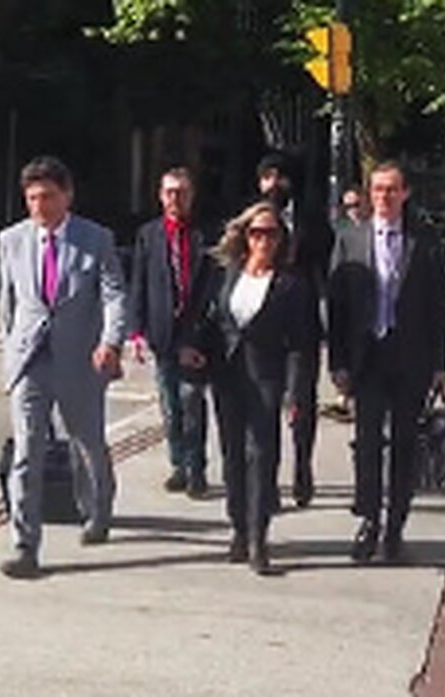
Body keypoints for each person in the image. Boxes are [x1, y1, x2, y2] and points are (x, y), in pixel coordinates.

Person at [0, 156, 126, 579]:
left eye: (48, 196)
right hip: (30, 360)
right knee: (26, 451)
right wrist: (9, 357)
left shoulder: (96, 239)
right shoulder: (11, 240)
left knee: (86, 444)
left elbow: (114, 295)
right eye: (32, 198)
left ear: (66, 196)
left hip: (80, 359)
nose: (39, 206)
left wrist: (110, 342)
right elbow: (8, 304)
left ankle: (98, 509)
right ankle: (25, 545)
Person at [180, 201, 317, 574]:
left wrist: (295, 392)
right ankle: (238, 528)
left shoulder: (292, 284)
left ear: (281, 238)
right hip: (227, 375)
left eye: (271, 233)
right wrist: (192, 347)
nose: (263, 240)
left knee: (261, 455)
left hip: (267, 378)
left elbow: (301, 345)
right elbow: (211, 321)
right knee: (232, 455)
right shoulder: (227, 274)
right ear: (244, 235)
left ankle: (259, 537)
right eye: (256, 233)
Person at [327, 160, 445, 563]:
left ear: (405, 194)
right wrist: (339, 364)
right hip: (367, 357)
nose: (383, 197)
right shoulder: (350, 239)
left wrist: (440, 363)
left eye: (391, 190)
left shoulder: (425, 241)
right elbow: (338, 307)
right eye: (378, 189)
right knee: (366, 444)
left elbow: (438, 306)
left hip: (409, 356)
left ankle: (396, 524)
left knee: (403, 445)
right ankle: (369, 520)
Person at [128, 166, 211, 498]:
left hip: (194, 333)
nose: (175, 198)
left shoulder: (204, 234)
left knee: (192, 400)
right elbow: (139, 283)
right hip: (161, 333)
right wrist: (135, 331)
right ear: (161, 197)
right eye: (169, 192)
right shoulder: (149, 234)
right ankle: (178, 463)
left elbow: (212, 286)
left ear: (191, 196)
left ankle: (197, 468)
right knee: (169, 404)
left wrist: (201, 331)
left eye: (181, 192)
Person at [257, 153, 333, 508]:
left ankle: (302, 464)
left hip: (301, 328)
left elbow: (326, 271)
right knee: (264, 406)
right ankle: (267, 480)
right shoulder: (252, 221)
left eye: (280, 177)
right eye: (267, 177)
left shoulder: (312, 220)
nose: (273, 184)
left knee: (301, 402)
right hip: (261, 328)